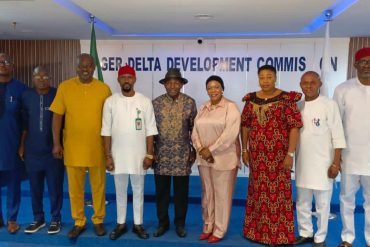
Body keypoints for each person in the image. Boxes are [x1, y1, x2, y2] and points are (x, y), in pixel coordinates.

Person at [49, 53, 111, 239]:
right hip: (73, 148)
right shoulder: (65, 87)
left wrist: (109, 150)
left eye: (89, 66)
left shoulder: (104, 89)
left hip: (97, 148)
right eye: (81, 66)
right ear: (76, 67)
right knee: (75, 189)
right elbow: (57, 116)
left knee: (98, 186)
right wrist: (56, 143)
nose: (85, 69)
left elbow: (109, 120)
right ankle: (79, 221)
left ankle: (98, 220)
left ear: (94, 67)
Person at [241, 65, 302, 246]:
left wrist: (290, 153)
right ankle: (256, 232)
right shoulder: (250, 99)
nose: (265, 80)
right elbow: (245, 125)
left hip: (279, 157)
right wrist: (245, 149)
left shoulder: (286, 99)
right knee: (258, 193)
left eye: (269, 77)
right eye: (262, 77)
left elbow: (294, 127)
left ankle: (278, 235)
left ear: (275, 78)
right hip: (257, 157)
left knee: (278, 195)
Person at [101, 64, 157, 240]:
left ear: (135, 79)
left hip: (139, 156)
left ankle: (138, 224)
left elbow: (150, 130)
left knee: (139, 190)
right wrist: (108, 156)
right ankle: (121, 223)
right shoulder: (110, 101)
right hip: (117, 156)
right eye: (123, 77)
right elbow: (106, 131)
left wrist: (149, 155)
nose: (126, 80)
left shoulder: (145, 101)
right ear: (118, 80)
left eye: (129, 77)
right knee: (120, 191)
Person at [294, 71, 346, 247]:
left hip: (324, 164)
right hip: (302, 163)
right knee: (302, 201)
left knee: (323, 204)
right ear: (300, 84)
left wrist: (336, 163)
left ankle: (320, 237)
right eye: (305, 83)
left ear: (320, 84)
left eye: (312, 82)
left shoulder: (329, 105)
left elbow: (338, 136)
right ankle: (305, 232)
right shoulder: (297, 106)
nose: (308, 86)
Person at [191, 75, 240, 243]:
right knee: (208, 194)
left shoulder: (230, 107)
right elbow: (195, 131)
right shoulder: (203, 107)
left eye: (216, 87)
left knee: (222, 196)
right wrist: (200, 149)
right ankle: (208, 225)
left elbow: (230, 135)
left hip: (223, 159)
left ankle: (219, 230)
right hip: (204, 160)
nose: (213, 90)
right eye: (210, 87)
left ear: (222, 89)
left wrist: (210, 150)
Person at [19, 66, 65, 235]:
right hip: (32, 152)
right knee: (35, 188)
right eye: (38, 76)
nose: (42, 79)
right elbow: (24, 125)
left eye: (45, 76)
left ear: (50, 78)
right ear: (33, 78)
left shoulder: (58, 94)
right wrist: (22, 145)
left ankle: (55, 219)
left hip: (53, 152)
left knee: (55, 188)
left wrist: (59, 144)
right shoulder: (26, 96)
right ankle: (38, 219)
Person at [152, 68, 197, 238]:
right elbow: (150, 130)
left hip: (182, 155)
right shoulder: (155, 103)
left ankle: (180, 224)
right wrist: (151, 152)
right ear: (164, 85)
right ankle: (162, 223)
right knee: (161, 193)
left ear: (181, 84)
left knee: (181, 194)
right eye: (169, 82)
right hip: (161, 155)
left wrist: (193, 149)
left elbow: (194, 129)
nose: (172, 85)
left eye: (176, 82)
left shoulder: (189, 103)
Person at [334, 47, 370, 247]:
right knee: (346, 200)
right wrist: (336, 157)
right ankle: (347, 238)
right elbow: (336, 124)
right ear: (355, 64)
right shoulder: (343, 89)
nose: (367, 65)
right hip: (349, 156)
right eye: (363, 62)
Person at [0, 53, 28, 234]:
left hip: (11, 143)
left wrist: (22, 144)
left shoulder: (21, 89)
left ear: (12, 65)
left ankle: (11, 219)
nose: (2, 64)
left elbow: (26, 122)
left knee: (13, 183)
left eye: (6, 62)